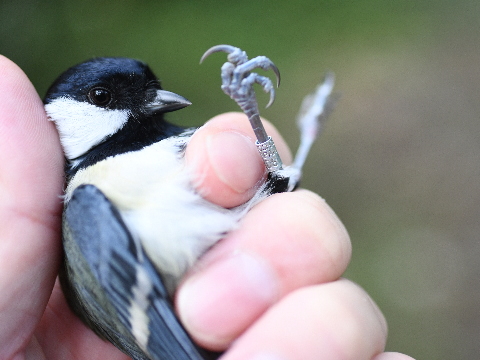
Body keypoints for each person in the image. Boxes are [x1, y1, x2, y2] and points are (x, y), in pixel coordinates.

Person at [0, 55, 414, 360]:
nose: (152, 100)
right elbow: (155, 332)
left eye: (146, 90)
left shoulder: (179, 150)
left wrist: (252, 119)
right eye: (105, 97)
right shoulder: (84, 206)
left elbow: (273, 186)